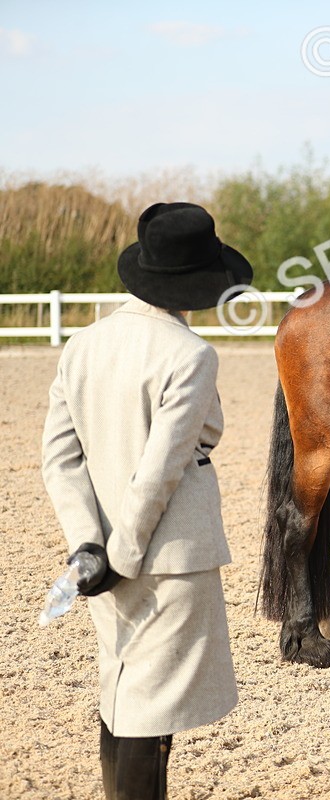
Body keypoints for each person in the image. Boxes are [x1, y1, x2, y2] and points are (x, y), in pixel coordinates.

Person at [42, 202, 252, 799]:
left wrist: (88, 546)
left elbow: (59, 459)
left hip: (101, 553)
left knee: (121, 693)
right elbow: (159, 472)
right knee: (148, 713)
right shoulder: (190, 354)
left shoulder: (82, 344)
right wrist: (122, 557)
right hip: (163, 556)